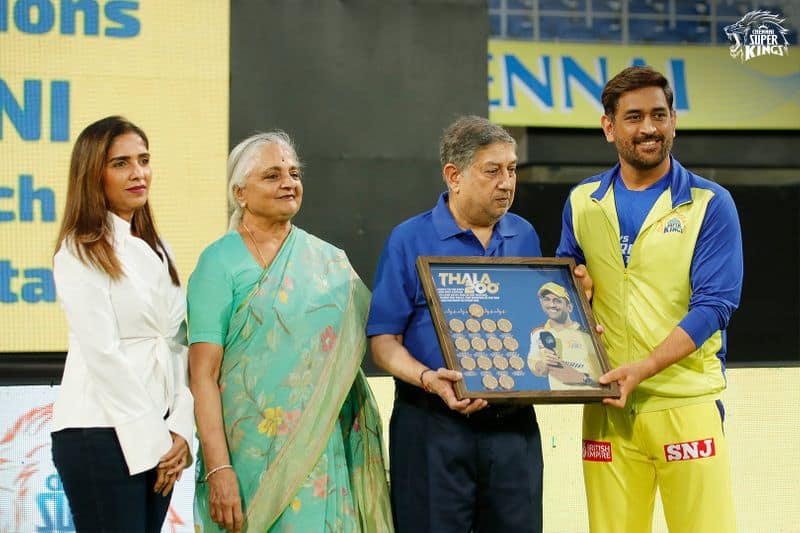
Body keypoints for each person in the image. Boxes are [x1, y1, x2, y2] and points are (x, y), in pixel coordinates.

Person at [557, 66, 743, 533]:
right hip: (607, 409)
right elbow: (564, 282)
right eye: (634, 116)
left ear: (673, 120)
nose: (649, 129)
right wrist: (574, 288)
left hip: (684, 405)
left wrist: (641, 370)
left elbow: (714, 307)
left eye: (659, 115)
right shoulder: (582, 201)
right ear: (609, 127)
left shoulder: (709, 203)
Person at [187, 132, 392, 533]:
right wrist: (219, 468)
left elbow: (366, 344)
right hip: (243, 460)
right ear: (240, 193)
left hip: (318, 456)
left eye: (294, 173)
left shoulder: (329, 263)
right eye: (273, 175)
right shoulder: (219, 263)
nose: (288, 182)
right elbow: (203, 375)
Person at [368, 116, 544, 532]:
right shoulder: (407, 239)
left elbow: (538, 324)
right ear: (454, 176)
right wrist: (429, 378)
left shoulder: (525, 236)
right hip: (432, 427)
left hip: (513, 430)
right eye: (493, 171)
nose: (507, 182)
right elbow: (383, 342)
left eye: (512, 169)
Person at [51, 116, 194, 532]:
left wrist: (181, 429)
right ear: (93, 173)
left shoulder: (157, 246)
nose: (138, 173)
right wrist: (155, 439)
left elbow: (178, 344)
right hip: (100, 431)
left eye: (144, 160)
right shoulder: (79, 249)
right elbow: (102, 354)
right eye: (121, 163)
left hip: (160, 435)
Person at [527, 282, 601, 390]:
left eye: (557, 300)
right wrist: (545, 364)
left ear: (569, 307)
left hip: (589, 403)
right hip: (557, 404)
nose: (551, 304)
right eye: (546, 299)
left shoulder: (588, 335)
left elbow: (600, 377)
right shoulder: (539, 333)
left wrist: (580, 377)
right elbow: (537, 367)